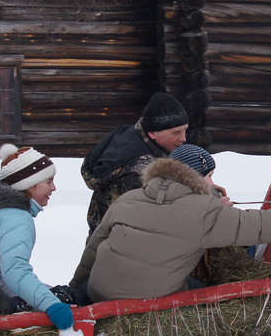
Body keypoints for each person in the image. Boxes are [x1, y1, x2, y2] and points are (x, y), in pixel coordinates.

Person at [70, 144, 271, 302]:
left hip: (99, 292)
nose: (212, 182)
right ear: (195, 178)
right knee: (205, 290)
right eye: (209, 176)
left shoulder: (129, 198)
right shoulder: (204, 212)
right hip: (150, 300)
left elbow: (93, 247)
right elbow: (257, 225)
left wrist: (76, 287)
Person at [0, 144, 74, 330]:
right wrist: (52, 304)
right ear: (28, 185)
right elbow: (14, 270)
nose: (54, 188)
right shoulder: (16, 217)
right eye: (48, 181)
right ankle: (14, 307)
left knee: (57, 293)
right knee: (66, 296)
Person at [80, 92, 189, 233]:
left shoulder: (131, 136)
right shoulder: (141, 171)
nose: (183, 138)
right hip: (119, 246)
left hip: (106, 244)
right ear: (152, 133)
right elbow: (155, 218)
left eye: (184, 130)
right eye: (176, 133)